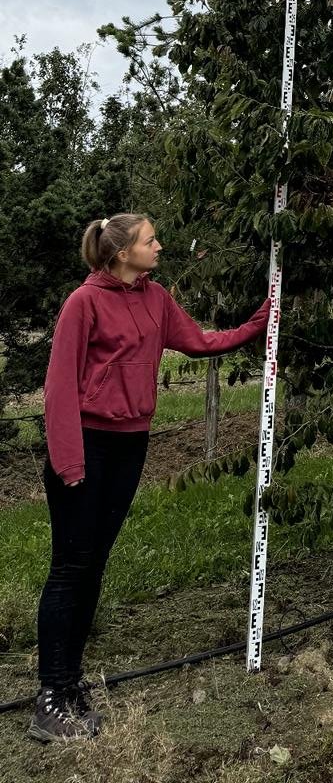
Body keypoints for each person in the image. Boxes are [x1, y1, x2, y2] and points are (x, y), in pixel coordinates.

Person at [29, 213, 271, 744]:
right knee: (70, 567)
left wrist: (259, 323)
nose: (159, 246)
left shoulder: (156, 297)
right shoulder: (83, 303)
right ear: (120, 253)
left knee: (94, 564)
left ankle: (70, 687)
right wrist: (70, 463)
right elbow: (58, 388)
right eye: (149, 240)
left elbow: (199, 342)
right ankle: (50, 699)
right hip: (86, 446)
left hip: (129, 444)